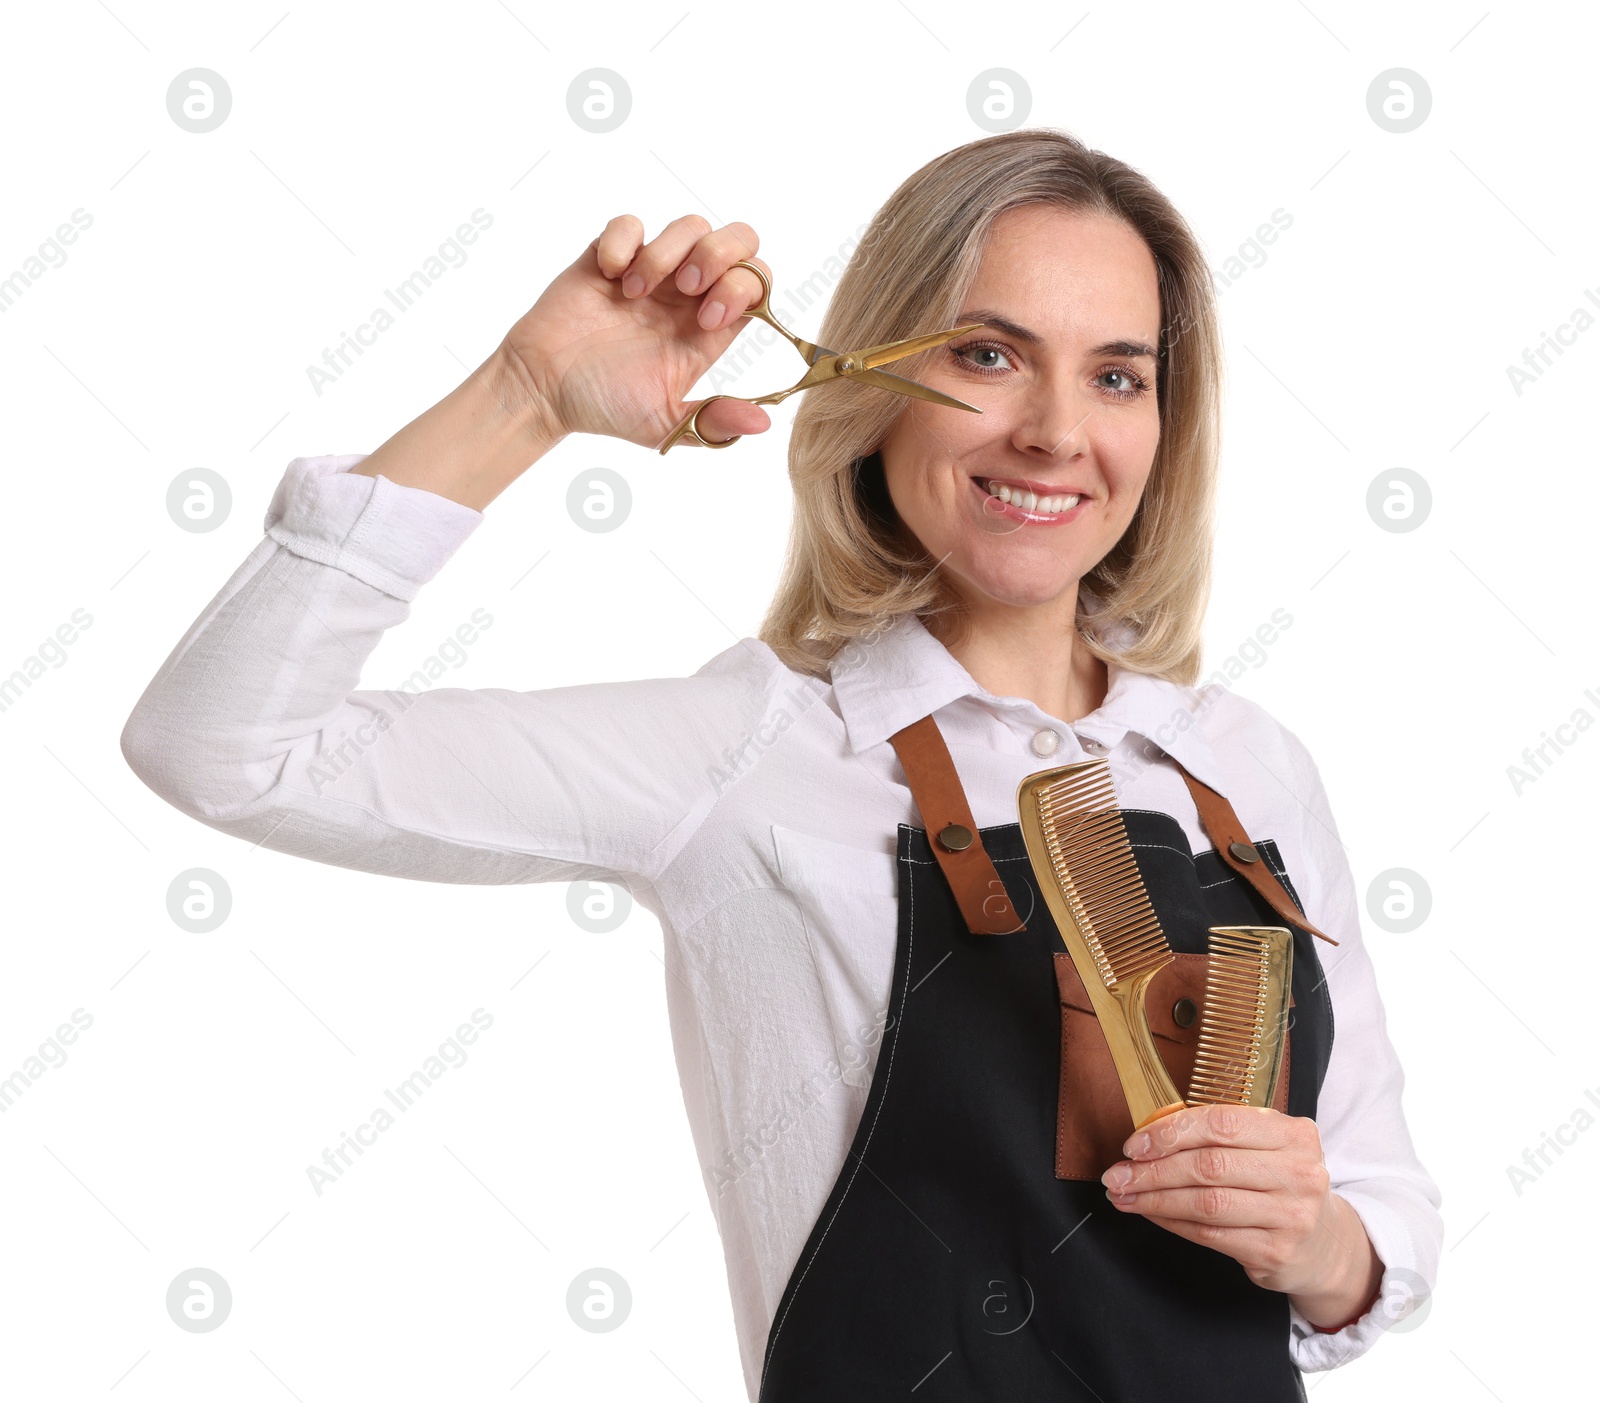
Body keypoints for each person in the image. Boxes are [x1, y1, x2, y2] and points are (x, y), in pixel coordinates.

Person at [121, 128, 1442, 1400]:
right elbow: (228, 749)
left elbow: (1383, 1220)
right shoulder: (748, 750)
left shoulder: (1247, 766)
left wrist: (1316, 1240)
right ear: (870, 388)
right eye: (988, 354)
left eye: (1116, 374)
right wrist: (522, 401)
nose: (1055, 431)